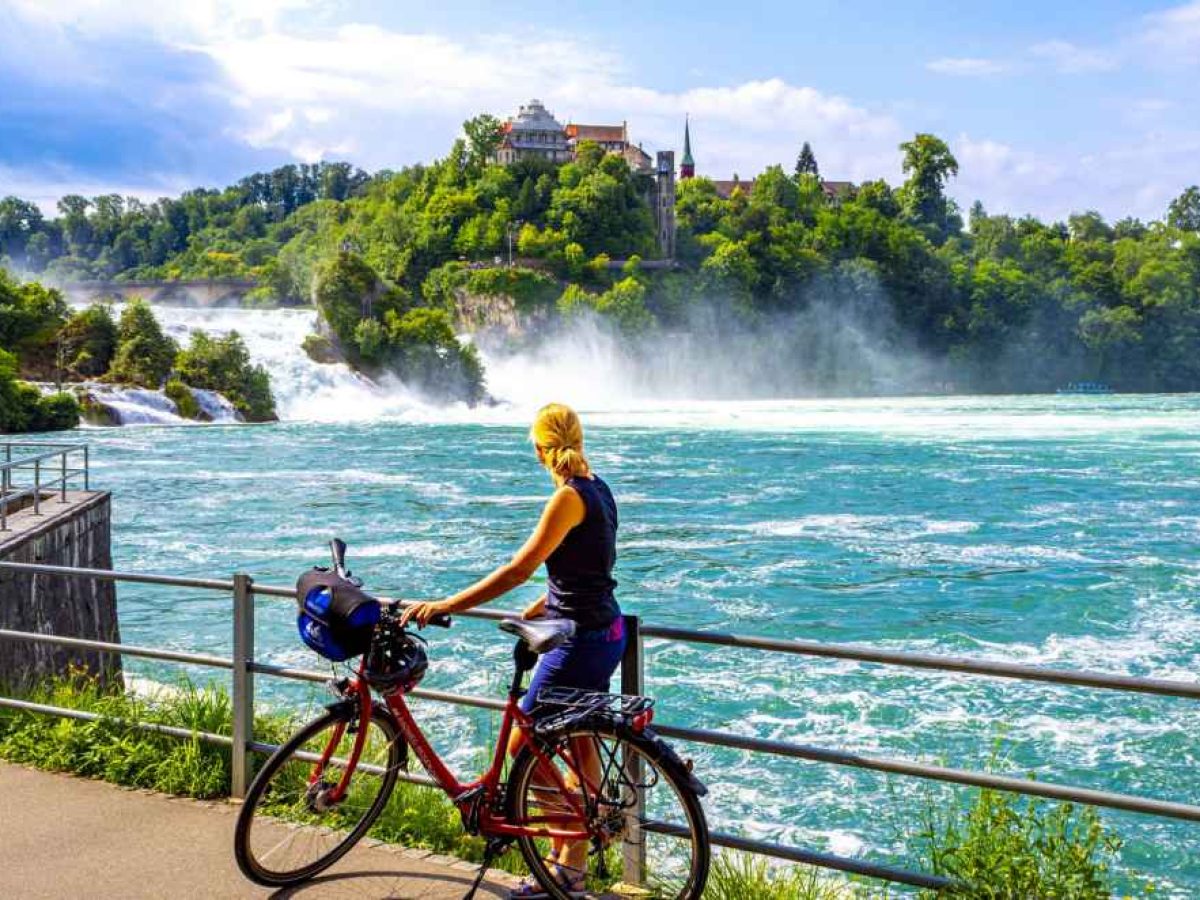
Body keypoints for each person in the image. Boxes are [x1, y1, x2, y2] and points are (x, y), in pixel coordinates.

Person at [401, 402, 625, 898]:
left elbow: (517, 568)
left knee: (526, 750)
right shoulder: (601, 489)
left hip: (580, 641)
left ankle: (571, 849)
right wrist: (551, 598)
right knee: (578, 741)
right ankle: (571, 865)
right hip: (606, 633)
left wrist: (446, 604)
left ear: (541, 449)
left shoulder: (567, 498)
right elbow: (595, 560)